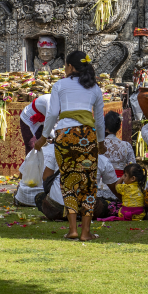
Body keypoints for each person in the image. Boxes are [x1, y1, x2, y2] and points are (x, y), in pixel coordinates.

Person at [35, 50, 106, 241]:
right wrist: (101, 143)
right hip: (87, 137)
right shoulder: (94, 88)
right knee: (88, 184)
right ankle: (86, 232)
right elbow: (99, 120)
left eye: (65, 66)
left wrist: (43, 138)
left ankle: (73, 230)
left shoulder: (60, 85)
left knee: (68, 181)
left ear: (71, 67)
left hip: (64, 136)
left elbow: (51, 115)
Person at [35, 141, 118, 223]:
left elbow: (46, 177)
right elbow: (115, 188)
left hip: (56, 209)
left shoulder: (59, 153)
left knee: (39, 197)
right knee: (103, 203)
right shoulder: (102, 160)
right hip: (87, 210)